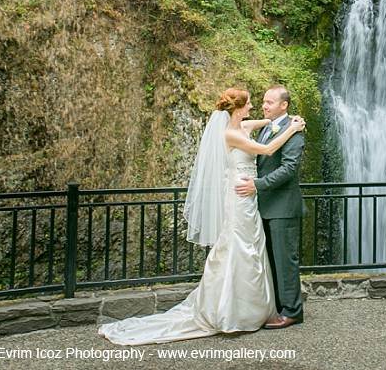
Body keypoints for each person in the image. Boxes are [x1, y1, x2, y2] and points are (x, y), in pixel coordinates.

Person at [98, 89, 305, 345]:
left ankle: (264, 307)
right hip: (242, 196)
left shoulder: (245, 125)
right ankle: (232, 309)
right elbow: (268, 149)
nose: (258, 106)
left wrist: (287, 121)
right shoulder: (231, 133)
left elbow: (268, 126)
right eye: (253, 102)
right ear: (237, 108)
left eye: (265, 102)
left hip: (253, 198)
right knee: (238, 247)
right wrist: (291, 128)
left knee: (254, 250)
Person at [235, 85, 305, 329]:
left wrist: (257, 185)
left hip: (283, 207)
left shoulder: (294, 131)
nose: (264, 106)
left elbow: (288, 169)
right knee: (272, 261)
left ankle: (292, 311)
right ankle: (277, 307)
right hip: (264, 206)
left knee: (286, 261)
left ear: (283, 105)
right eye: (263, 102)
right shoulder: (267, 127)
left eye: (269, 102)